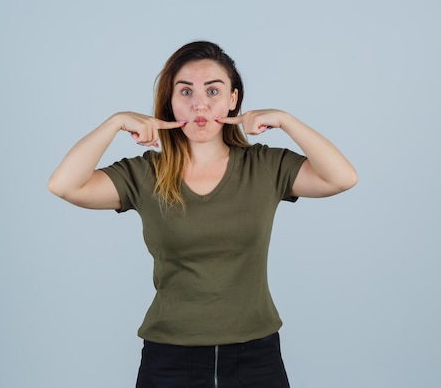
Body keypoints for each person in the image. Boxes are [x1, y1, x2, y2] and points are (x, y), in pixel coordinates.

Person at [47, 40, 357, 388]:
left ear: (233, 99)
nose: (199, 104)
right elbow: (65, 185)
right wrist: (115, 122)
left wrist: (286, 120)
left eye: (213, 90)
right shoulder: (145, 173)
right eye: (185, 91)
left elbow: (342, 178)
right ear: (170, 101)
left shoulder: (265, 166)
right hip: (169, 357)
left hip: (255, 354)